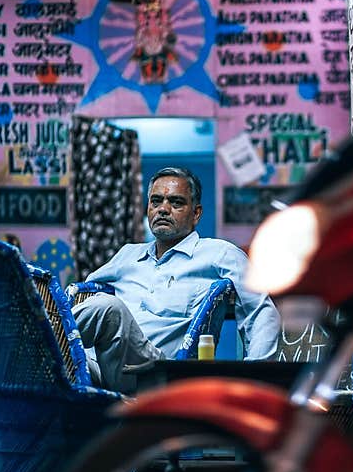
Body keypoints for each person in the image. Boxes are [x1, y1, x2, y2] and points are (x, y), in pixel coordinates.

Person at [71, 167, 280, 392]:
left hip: (154, 374)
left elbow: (261, 312)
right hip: (96, 368)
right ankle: (43, 349)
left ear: (196, 213)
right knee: (66, 349)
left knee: (107, 308)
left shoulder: (220, 254)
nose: (163, 209)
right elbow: (79, 300)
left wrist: (256, 377)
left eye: (176, 202)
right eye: (156, 201)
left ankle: (40, 344)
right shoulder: (128, 255)